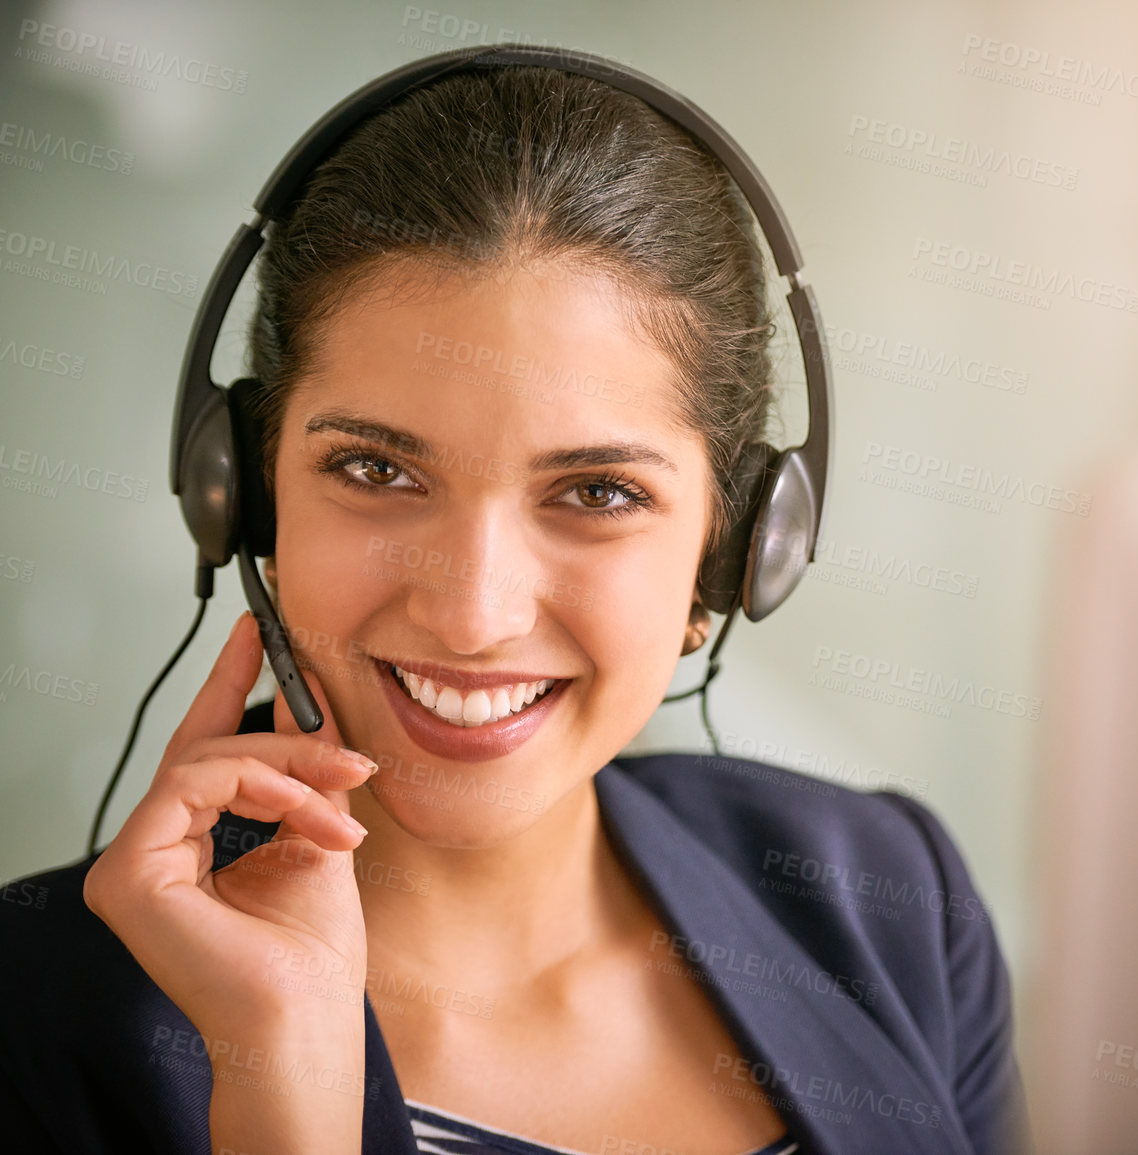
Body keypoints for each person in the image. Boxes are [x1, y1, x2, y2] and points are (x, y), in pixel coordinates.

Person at [0, 59, 1027, 1155]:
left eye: (597, 493)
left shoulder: (885, 900)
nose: (472, 616)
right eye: (376, 472)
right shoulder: (37, 1020)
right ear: (245, 499)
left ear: (731, 553)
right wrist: (282, 1089)